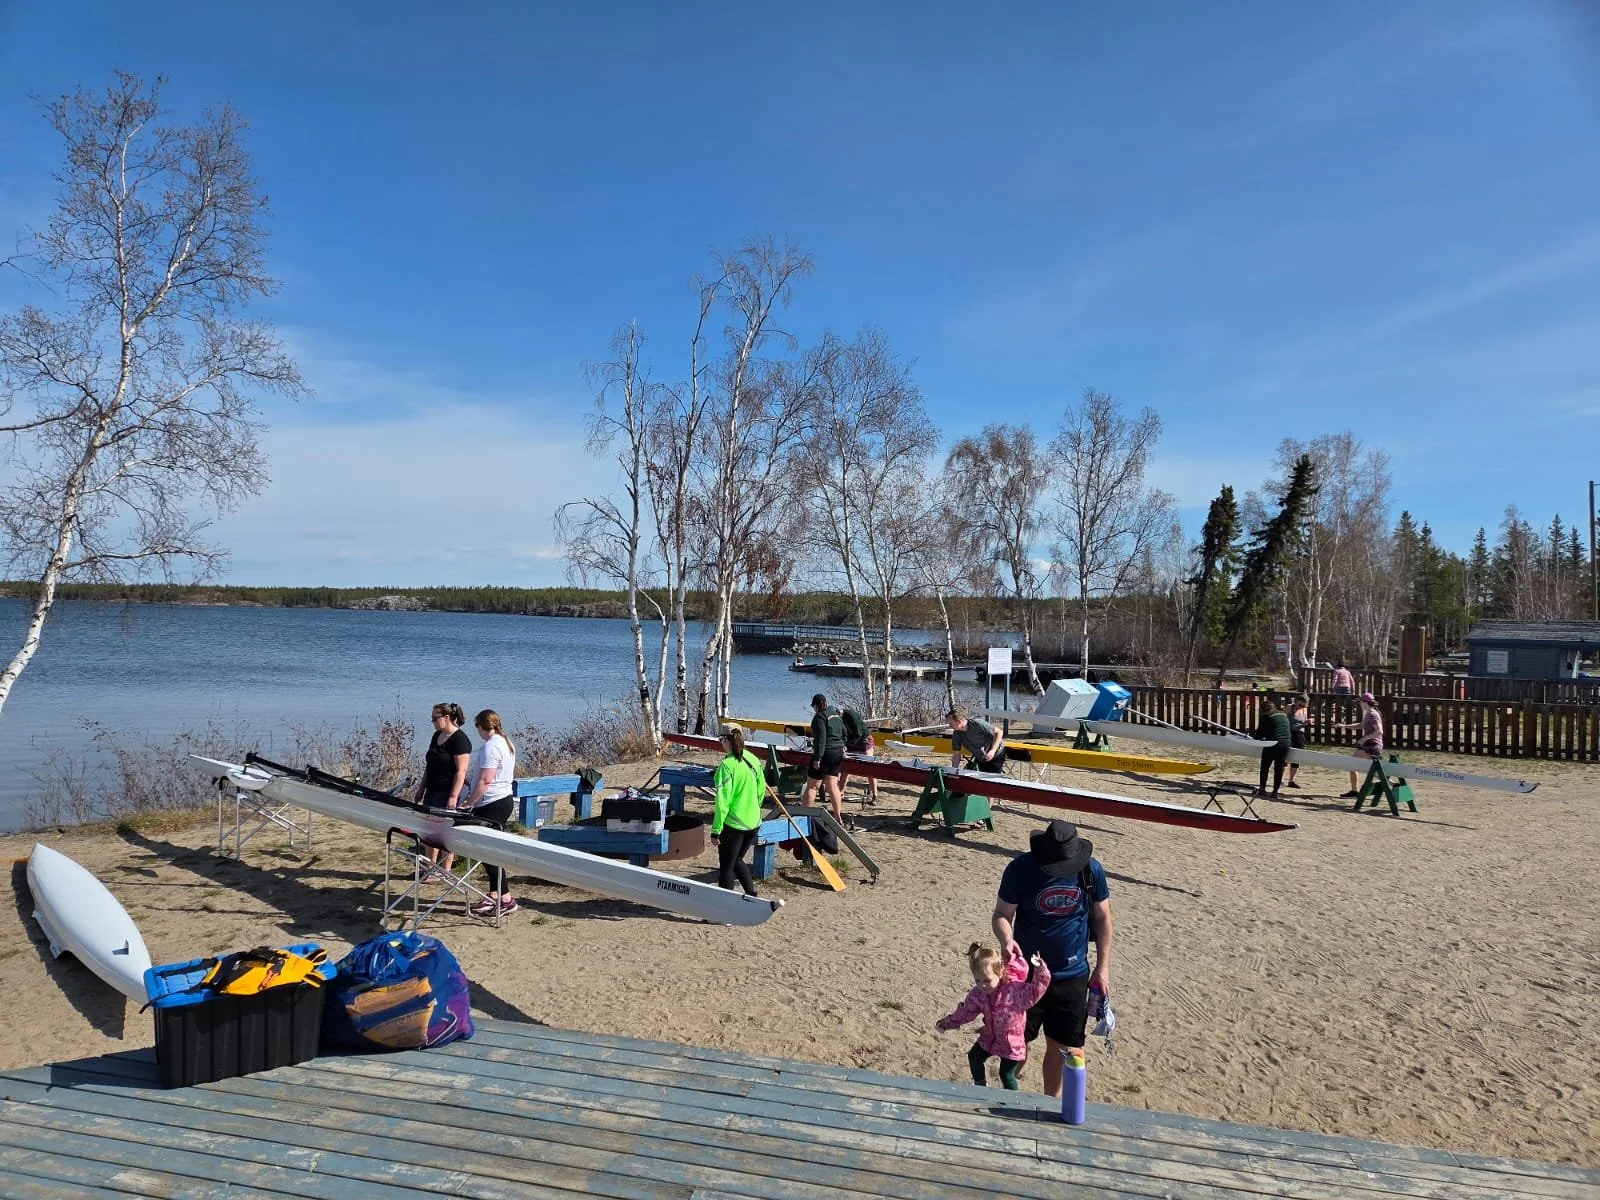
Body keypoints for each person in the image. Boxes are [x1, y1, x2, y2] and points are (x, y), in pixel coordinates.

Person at [992, 819, 1111, 1100]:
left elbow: (1104, 918)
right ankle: (1010, 1099)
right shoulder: (1020, 869)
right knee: (1016, 1044)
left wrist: (1102, 968)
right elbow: (1001, 914)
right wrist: (1006, 940)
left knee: (1064, 1050)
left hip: (1071, 976)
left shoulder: (1090, 870)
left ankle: (1050, 1104)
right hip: (1025, 977)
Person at [935, 942, 1051, 1090]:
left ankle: (1013, 1101)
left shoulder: (1014, 990)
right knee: (974, 1057)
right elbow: (965, 1012)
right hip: (989, 1037)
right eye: (978, 980)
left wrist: (1040, 970)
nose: (983, 985)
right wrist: (947, 1023)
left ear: (1000, 973)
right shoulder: (978, 994)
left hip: (1011, 1043)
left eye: (987, 980)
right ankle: (980, 1086)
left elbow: (1035, 991)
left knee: (1006, 1074)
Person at [457, 709, 518, 917]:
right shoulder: (505, 742)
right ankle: (494, 894)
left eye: (477, 728)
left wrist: (468, 803)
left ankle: (506, 898)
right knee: (486, 850)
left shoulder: (490, 747)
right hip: (502, 800)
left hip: (493, 803)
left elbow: (486, 780)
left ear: (482, 726)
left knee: (488, 851)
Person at [711, 724, 768, 896]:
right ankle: (751, 894)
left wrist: (716, 830)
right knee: (737, 860)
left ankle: (724, 912)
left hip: (734, 825)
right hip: (753, 822)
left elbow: (723, 802)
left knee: (727, 866)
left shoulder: (727, 766)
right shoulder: (753, 759)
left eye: (721, 740)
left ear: (727, 740)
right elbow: (761, 791)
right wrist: (753, 809)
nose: (721, 743)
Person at [414, 702, 471, 873]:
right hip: (431, 789)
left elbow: (461, 771)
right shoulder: (436, 735)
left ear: (447, 718)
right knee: (429, 830)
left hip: (447, 791)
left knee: (445, 832)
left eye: (435, 718)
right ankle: (429, 867)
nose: (432, 721)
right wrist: (421, 787)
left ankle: (445, 870)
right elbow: (429, 765)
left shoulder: (460, 740)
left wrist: (453, 796)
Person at [800, 693, 846, 823]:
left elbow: (822, 738)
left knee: (812, 786)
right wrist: (843, 744)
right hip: (837, 753)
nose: (814, 709)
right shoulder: (836, 715)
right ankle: (838, 817)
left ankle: (804, 817)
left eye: (813, 706)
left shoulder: (819, 718)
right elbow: (844, 731)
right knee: (832, 786)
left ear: (816, 705)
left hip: (825, 753)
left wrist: (817, 757)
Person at [1338, 692, 1384, 798]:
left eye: (1360, 702)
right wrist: (1343, 726)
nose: (1359, 704)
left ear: (1365, 702)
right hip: (1371, 745)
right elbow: (1360, 725)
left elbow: (1379, 732)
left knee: (1353, 764)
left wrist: (1364, 738)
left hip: (1372, 746)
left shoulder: (1372, 714)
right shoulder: (1369, 713)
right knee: (1375, 770)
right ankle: (1394, 784)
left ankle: (1354, 791)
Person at [836, 704, 881, 806]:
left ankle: (875, 796)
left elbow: (858, 733)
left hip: (864, 740)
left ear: (840, 713)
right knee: (845, 769)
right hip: (851, 742)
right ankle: (840, 793)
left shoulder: (852, 715)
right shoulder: (837, 721)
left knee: (869, 768)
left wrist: (847, 745)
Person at [946, 708, 1006, 773]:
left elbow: (999, 732)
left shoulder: (978, 724)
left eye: (951, 723)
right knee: (980, 778)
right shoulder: (956, 735)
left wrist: (992, 751)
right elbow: (956, 754)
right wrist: (953, 771)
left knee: (993, 780)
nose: (950, 726)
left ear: (959, 721)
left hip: (997, 753)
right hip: (981, 757)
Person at [1255, 698, 1291, 798]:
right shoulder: (1284, 714)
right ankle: (1275, 791)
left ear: (1263, 710)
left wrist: (1256, 738)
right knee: (1279, 768)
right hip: (1286, 743)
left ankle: (1262, 789)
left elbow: (1259, 735)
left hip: (1272, 743)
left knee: (1265, 767)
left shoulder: (1266, 716)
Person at [1284, 695, 1309, 788]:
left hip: (1300, 734)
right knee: (1285, 756)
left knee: (1297, 758)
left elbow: (1303, 722)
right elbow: (1283, 718)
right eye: (1300, 705)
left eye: (1304, 706)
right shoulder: (1290, 707)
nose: (1301, 707)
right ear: (1296, 701)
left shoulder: (1304, 710)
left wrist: (1307, 722)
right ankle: (1281, 779)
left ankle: (1291, 780)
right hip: (1289, 733)